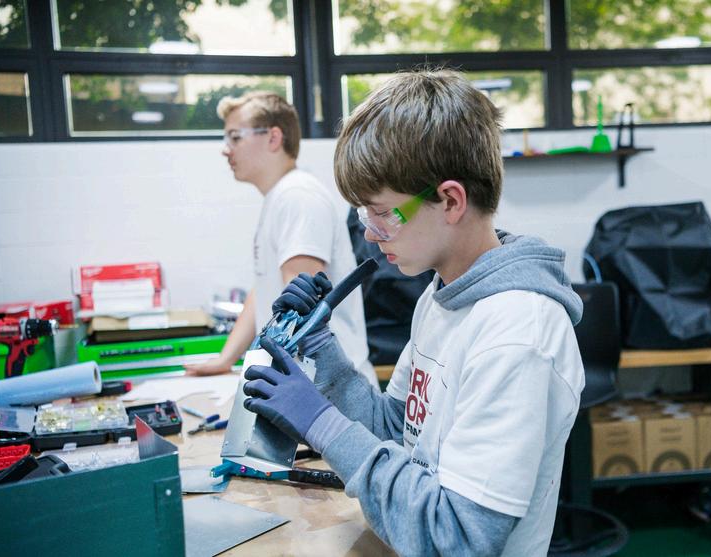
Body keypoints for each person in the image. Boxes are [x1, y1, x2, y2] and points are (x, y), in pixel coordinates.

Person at [241, 69, 586, 556]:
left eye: (382, 212)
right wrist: (322, 350)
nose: (370, 233)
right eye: (364, 214)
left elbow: (458, 538)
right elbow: (397, 435)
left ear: (450, 200)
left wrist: (321, 423)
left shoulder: (516, 332)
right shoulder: (442, 294)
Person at [185, 91, 375, 386]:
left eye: (235, 137)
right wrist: (225, 359)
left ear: (273, 138)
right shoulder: (280, 196)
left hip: (326, 388)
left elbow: (299, 305)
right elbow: (264, 288)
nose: (226, 149)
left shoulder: (298, 197)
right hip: (307, 382)